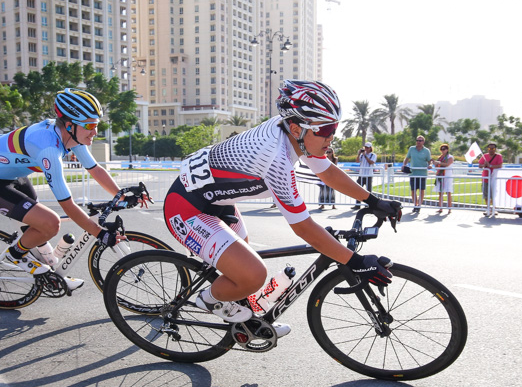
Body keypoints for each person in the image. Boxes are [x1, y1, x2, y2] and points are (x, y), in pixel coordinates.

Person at [162, 80, 400, 333]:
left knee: (243, 267)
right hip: (187, 208)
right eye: (325, 130)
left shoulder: (295, 134)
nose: (331, 137)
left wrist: (373, 201)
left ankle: (246, 324)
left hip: (217, 201)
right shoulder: (275, 158)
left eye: (334, 128)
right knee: (252, 275)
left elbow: (327, 172)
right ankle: (208, 299)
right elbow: (304, 228)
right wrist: (355, 260)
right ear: (297, 128)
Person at [0, 88, 139, 288]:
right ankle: (14, 256)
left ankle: (51, 274)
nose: (95, 132)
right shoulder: (49, 149)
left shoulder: (71, 136)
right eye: (90, 125)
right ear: (69, 124)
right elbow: (68, 205)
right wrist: (99, 233)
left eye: (97, 125)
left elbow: (95, 169)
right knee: (50, 223)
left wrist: (121, 196)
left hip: (11, 175)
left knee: (39, 227)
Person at [403, 135, 432, 214]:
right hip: (413, 172)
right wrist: (404, 165)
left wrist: (430, 165)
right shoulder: (411, 149)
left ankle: (419, 205)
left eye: (420, 140)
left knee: (421, 190)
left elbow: (429, 160)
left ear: (423, 142)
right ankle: (415, 205)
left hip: (422, 173)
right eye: (417, 140)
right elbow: (407, 158)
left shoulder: (426, 151)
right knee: (413, 190)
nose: (418, 142)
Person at [477, 142, 503, 215]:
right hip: (485, 177)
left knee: (494, 194)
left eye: (493, 148)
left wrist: (490, 166)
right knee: (486, 194)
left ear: (495, 149)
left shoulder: (498, 156)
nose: (491, 150)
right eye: (489, 148)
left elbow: (500, 165)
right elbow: (480, 165)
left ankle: (494, 208)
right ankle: (488, 208)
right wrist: (484, 165)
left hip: (494, 178)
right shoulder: (484, 156)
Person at [351, 142, 377, 210]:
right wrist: (359, 154)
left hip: (368, 175)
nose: (366, 149)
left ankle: (369, 205)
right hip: (361, 175)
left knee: (368, 191)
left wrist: (365, 155)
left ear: (370, 148)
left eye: (367, 147)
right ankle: (357, 205)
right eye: (365, 147)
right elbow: (357, 161)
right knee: (357, 190)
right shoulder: (362, 155)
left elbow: (371, 162)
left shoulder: (373, 155)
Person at [433, 143, 454, 214]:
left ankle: (449, 208)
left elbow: (447, 164)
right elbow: (437, 166)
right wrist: (435, 163)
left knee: (448, 192)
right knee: (440, 192)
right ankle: (440, 208)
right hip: (440, 175)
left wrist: (439, 163)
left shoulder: (450, 157)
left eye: (444, 149)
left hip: (447, 176)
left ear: (447, 149)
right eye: (441, 149)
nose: (442, 150)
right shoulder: (440, 157)